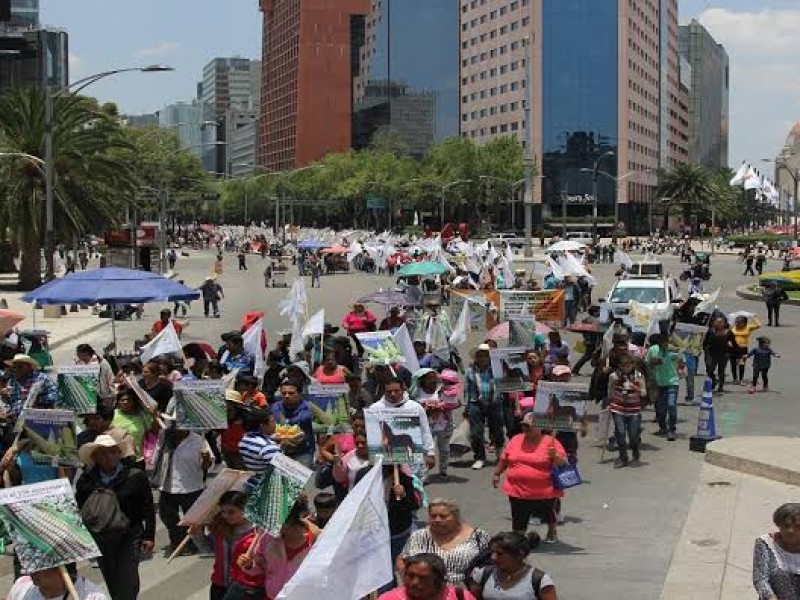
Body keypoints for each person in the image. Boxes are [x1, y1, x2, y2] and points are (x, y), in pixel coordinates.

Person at [75, 435, 155, 600]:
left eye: (112, 452)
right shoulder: (86, 480)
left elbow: (148, 506)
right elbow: (80, 508)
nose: (108, 457)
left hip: (130, 535)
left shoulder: (135, 476)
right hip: (101, 537)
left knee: (128, 576)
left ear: (119, 453)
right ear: (95, 457)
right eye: (103, 453)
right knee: (111, 576)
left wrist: (149, 535)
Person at [492, 413, 568, 543]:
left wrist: (555, 456)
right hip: (517, 489)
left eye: (528, 426)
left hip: (544, 491)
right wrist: (496, 474)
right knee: (518, 516)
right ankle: (519, 536)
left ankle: (552, 530)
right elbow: (504, 459)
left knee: (548, 512)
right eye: (523, 425)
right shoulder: (516, 439)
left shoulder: (551, 442)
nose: (524, 428)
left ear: (540, 427)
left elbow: (564, 465)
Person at [238, 497, 319, 600]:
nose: (270, 524)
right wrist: (249, 565)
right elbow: (260, 566)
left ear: (290, 519)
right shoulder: (267, 538)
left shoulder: (317, 542)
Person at [399, 500, 489, 588]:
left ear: (455, 517)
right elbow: (402, 559)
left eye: (443, 516)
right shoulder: (418, 536)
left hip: (464, 590)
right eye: (433, 516)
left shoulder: (478, 536)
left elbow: (491, 563)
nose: (437, 520)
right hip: (425, 591)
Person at [153, 428, 212, 556]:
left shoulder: (199, 440)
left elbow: (207, 466)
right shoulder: (165, 436)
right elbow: (157, 455)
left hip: (191, 487)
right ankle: (177, 541)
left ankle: (194, 544)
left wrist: (206, 460)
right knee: (167, 516)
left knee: (193, 519)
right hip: (168, 486)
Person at [199, 491, 264, 600]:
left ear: (244, 510)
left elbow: (265, 564)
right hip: (219, 584)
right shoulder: (220, 527)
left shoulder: (257, 533)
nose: (225, 516)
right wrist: (196, 534)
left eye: (231, 512)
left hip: (243, 588)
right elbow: (207, 548)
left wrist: (250, 564)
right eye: (223, 512)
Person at [371, 377, 437, 474]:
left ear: (403, 390)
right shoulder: (374, 409)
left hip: (412, 464)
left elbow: (425, 431)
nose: (393, 394)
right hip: (385, 465)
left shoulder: (415, 407)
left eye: (396, 391)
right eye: (389, 391)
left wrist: (430, 453)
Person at [467, 532, 558, 600]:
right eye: (492, 552)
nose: (493, 557)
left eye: (500, 554)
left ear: (519, 555)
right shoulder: (482, 574)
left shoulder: (539, 580)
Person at [410, 368, 460, 479]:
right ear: (423, 380)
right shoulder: (417, 392)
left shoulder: (443, 389)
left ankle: (443, 470)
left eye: (434, 377)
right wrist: (426, 408)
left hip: (444, 424)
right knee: (425, 450)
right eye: (429, 378)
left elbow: (456, 403)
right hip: (426, 426)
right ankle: (424, 474)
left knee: (444, 448)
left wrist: (443, 405)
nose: (433, 380)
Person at [465, 344, 502, 470]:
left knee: (497, 430)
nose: (482, 359)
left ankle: (500, 454)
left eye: (485, 356)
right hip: (476, 402)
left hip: (494, 402)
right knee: (476, 433)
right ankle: (480, 457)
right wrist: (467, 406)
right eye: (479, 356)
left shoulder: (497, 369)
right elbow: (468, 389)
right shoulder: (471, 371)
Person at [752, 503, 800, 599]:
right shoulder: (765, 543)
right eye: (786, 525)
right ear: (779, 525)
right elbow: (761, 579)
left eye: (797, 526)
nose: (790, 530)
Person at [379, 553, 476, 600]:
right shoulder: (389, 598)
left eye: (423, 578)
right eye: (410, 576)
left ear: (438, 580)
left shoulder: (460, 597)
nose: (415, 582)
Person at [607, 355, 646, 468]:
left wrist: (634, 387)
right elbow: (610, 391)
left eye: (628, 365)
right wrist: (609, 402)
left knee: (633, 435)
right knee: (620, 432)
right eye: (623, 366)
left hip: (633, 409)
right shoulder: (614, 376)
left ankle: (635, 450)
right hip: (618, 407)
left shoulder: (638, 376)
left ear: (632, 365)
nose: (626, 368)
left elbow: (643, 393)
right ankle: (622, 457)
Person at [646, 334, 683, 442]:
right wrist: (653, 362)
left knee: (671, 406)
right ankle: (663, 428)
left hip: (672, 382)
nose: (665, 345)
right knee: (660, 409)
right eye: (663, 343)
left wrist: (681, 363)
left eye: (667, 342)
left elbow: (682, 358)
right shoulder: (652, 350)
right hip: (658, 383)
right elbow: (646, 363)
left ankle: (672, 429)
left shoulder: (673, 350)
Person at [111, 388, 160, 469]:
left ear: (135, 402)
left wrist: (154, 416)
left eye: (129, 400)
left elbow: (155, 431)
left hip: (137, 460)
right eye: (122, 400)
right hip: (115, 459)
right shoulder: (112, 414)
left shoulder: (143, 416)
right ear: (118, 402)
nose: (125, 402)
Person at [271, 380, 315, 468]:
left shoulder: (308, 407)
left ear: (299, 394)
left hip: (304, 451)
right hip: (281, 450)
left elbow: (302, 420)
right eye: (284, 393)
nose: (287, 396)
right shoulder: (276, 406)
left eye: (291, 393)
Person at [2, 354, 57, 418]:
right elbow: (10, 403)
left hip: (37, 417)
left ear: (29, 367)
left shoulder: (42, 378)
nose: (16, 370)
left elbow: (54, 395)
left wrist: (39, 400)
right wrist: (5, 397)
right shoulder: (12, 381)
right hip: (15, 419)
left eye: (20, 367)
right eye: (14, 367)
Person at [7, 566, 108, 600]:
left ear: (60, 570)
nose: (31, 571)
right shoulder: (21, 588)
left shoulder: (93, 597)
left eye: (40, 566)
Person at [238, 408, 283, 472]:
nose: (275, 424)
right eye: (272, 421)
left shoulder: (245, 439)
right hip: (265, 480)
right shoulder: (268, 447)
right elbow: (281, 469)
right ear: (262, 425)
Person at [704, 317, 737, 395]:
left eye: (720, 322)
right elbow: (705, 342)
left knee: (721, 371)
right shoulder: (711, 331)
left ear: (724, 323)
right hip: (711, 353)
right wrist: (705, 350)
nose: (718, 324)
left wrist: (732, 349)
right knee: (709, 369)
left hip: (724, 354)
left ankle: (721, 387)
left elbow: (734, 342)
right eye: (717, 322)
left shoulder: (728, 332)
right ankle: (714, 380)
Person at [730, 315, 761, 385]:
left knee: (741, 364)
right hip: (733, 348)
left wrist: (754, 317)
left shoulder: (748, 327)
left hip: (743, 349)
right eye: (736, 322)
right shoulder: (732, 328)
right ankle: (735, 379)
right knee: (733, 364)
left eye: (739, 322)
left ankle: (741, 380)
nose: (737, 324)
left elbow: (758, 325)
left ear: (744, 323)